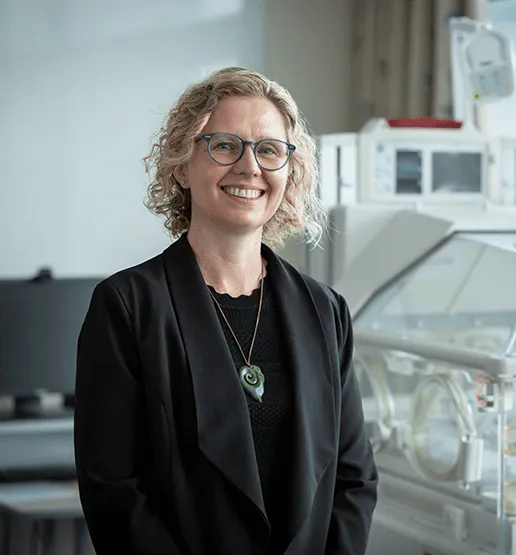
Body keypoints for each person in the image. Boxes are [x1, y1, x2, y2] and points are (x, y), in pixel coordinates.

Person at [73, 67, 378, 555]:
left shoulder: (326, 310)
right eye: (224, 145)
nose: (249, 167)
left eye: (269, 150)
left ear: (289, 172)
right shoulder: (128, 306)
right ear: (180, 164)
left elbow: (353, 478)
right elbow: (114, 491)